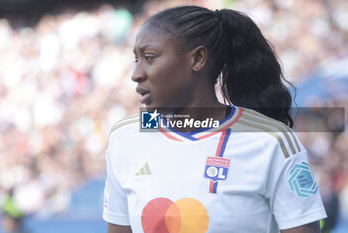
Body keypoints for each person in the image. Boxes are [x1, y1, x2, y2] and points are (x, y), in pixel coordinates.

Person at [103, 5, 327, 233]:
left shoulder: (272, 141)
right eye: (136, 59)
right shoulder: (125, 136)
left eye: (149, 57)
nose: (136, 74)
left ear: (198, 58)